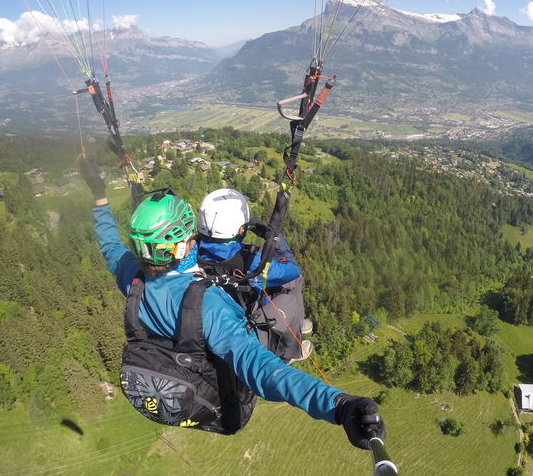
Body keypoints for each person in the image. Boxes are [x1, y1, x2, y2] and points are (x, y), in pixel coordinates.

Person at [78, 157, 384, 448]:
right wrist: (337, 405)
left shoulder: (130, 276)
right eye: (190, 236)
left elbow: (109, 244)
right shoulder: (207, 305)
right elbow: (261, 369)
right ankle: (291, 348)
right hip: (217, 387)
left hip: (173, 361)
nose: (195, 239)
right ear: (181, 250)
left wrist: (99, 195)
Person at [197, 188, 312, 363]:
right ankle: (291, 352)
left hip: (215, 309)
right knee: (292, 287)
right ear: (240, 228)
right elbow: (292, 270)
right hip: (247, 319)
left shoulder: (191, 248)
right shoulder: (251, 262)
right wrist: (275, 238)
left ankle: (297, 324)